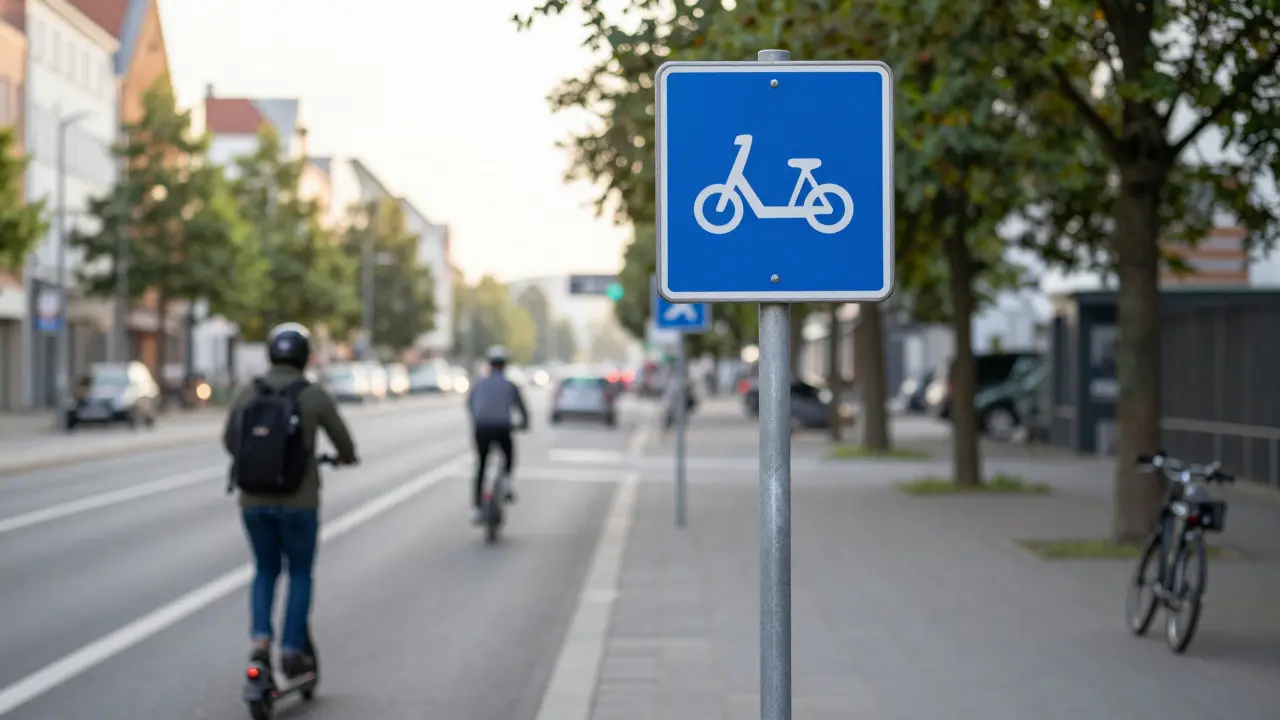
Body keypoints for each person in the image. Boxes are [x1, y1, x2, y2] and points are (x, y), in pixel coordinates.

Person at [222, 322, 358, 681]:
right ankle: (292, 648)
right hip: (299, 500)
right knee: (299, 572)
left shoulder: (248, 391)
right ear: (305, 356)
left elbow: (228, 439)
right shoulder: (312, 395)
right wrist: (343, 457)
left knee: (265, 570)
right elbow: (344, 444)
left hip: (252, 500)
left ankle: (260, 643)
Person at [466, 345, 529, 523]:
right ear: (504, 365)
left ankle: (477, 507)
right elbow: (522, 410)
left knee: (481, 466)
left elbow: (470, 405)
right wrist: (523, 423)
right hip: (502, 428)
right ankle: (506, 483)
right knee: (509, 457)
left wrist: (478, 419)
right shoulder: (510, 385)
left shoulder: (479, 383)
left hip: (482, 429)